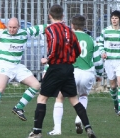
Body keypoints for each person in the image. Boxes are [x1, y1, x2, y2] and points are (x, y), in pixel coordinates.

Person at [28, 5, 96, 138]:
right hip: (69, 68)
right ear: (63, 16)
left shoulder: (50, 29)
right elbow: (77, 50)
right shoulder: (69, 30)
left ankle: (37, 132)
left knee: (42, 98)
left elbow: (54, 44)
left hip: (56, 67)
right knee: (74, 100)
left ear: (50, 16)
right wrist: (70, 59)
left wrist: (48, 59)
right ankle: (88, 128)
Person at [0, 17, 47, 122]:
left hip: (17, 66)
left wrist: (57, 25)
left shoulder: (25, 33)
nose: (12, 30)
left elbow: (41, 28)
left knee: (36, 85)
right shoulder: (1, 33)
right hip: (4, 65)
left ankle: (18, 107)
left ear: (19, 27)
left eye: (14, 28)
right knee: (0, 89)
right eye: (10, 27)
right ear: (7, 26)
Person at [45, 15, 103, 136]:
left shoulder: (68, 37)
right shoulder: (91, 39)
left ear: (72, 25)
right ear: (84, 26)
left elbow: (56, 53)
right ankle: (78, 118)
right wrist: (99, 74)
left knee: (60, 97)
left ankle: (57, 129)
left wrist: (47, 69)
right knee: (83, 95)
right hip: (87, 73)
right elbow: (98, 60)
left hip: (72, 72)